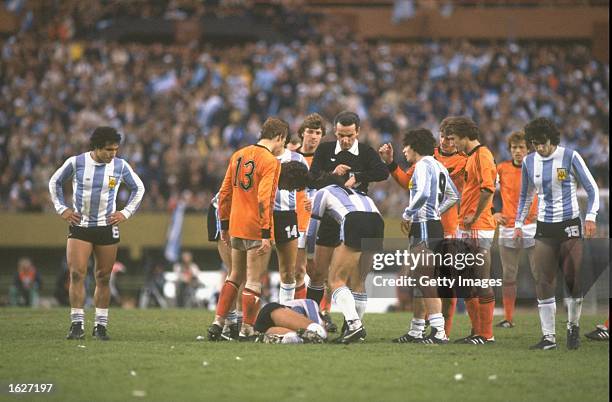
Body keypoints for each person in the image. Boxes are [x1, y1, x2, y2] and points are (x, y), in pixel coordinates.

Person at [49, 126, 145, 341]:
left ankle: (100, 326)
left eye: (116, 150)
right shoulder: (77, 162)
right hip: (81, 227)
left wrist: (125, 212)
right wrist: (62, 208)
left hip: (107, 227)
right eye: (109, 150)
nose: (113, 154)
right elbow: (54, 181)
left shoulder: (120, 166)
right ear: (96, 148)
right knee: (76, 274)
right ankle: (77, 324)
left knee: (103, 277)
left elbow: (139, 188)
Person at [514, 117, 599, 350]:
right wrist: (518, 223)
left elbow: (592, 190)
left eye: (543, 143)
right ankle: (548, 337)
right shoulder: (529, 162)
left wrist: (590, 217)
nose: (540, 148)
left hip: (570, 224)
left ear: (552, 139)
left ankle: (573, 326)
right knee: (543, 280)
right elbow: (525, 195)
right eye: (535, 144)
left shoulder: (570, 156)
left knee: (572, 277)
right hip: (545, 226)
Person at [208, 117, 294, 341]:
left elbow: (225, 192)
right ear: (279, 138)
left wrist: (225, 225)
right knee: (254, 280)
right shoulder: (271, 161)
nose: (282, 149)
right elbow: (265, 198)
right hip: (256, 227)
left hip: (235, 225)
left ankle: (218, 322)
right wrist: (267, 233)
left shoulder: (238, 154)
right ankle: (246, 328)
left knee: (234, 276)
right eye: (283, 144)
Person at [380, 124, 466, 339]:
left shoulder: (421, 166)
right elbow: (454, 196)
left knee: (425, 278)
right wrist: (438, 210)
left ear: (414, 147)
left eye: (405, 147)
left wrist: (408, 213)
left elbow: (424, 194)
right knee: (420, 278)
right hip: (432, 223)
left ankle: (438, 330)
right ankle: (417, 330)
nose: (403, 152)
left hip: (425, 225)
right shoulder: (438, 166)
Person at [308, 111, 388, 331]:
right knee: (318, 273)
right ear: (335, 131)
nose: (345, 140)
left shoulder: (365, 152)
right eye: (341, 135)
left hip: (356, 216)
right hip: (330, 218)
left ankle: (352, 325)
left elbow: (382, 172)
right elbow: (312, 178)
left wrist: (358, 175)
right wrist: (333, 173)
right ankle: (315, 321)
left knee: (356, 278)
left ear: (358, 132)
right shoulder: (325, 150)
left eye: (350, 135)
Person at [305, 180, 385, 344]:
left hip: (355, 220)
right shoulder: (359, 193)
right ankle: (354, 329)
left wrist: (309, 256)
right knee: (359, 281)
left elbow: (312, 227)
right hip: (377, 222)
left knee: (335, 280)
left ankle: (354, 325)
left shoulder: (323, 192)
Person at [443, 116, 497, 345]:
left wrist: (475, 215)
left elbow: (488, 188)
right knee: (465, 281)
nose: (452, 143)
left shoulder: (483, 155)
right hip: (467, 226)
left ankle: (486, 334)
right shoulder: (470, 157)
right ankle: (477, 332)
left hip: (478, 226)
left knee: (480, 280)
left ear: (466, 136)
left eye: (454, 138)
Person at [493, 131, 538, 328]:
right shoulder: (501, 169)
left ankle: (547, 320)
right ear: (510, 150)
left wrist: (543, 211)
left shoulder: (538, 168)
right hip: (508, 225)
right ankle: (508, 318)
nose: (517, 151)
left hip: (532, 225)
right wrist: (493, 212)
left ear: (528, 149)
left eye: (521, 147)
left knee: (540, 274)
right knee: (509, 274)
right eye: (514, 148)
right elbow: (485, 190)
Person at [272, 146, 309, 304]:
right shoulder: (261, 158)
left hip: (289, 218)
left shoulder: (300, 160)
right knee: (252, 273)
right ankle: (242, 322)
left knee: (292, 271)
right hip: (259, 216)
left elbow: (311, 186)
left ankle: (287, 312)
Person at [294, 113, 325, 302]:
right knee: (297, 271)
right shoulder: (291, 157)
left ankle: (322, 312)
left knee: (318, 271)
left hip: (317, 222)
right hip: (296, 221)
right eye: (310, 132)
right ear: (302, 133)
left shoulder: (325, 161)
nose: (314, 136)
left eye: (318, 133)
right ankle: (303, 313)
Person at [253, 299, 327, 344]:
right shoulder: (312, 305)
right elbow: (318, 327)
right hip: (272, 313)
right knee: (319, 332)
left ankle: (265, 337)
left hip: (266, 329)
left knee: (292, 337)